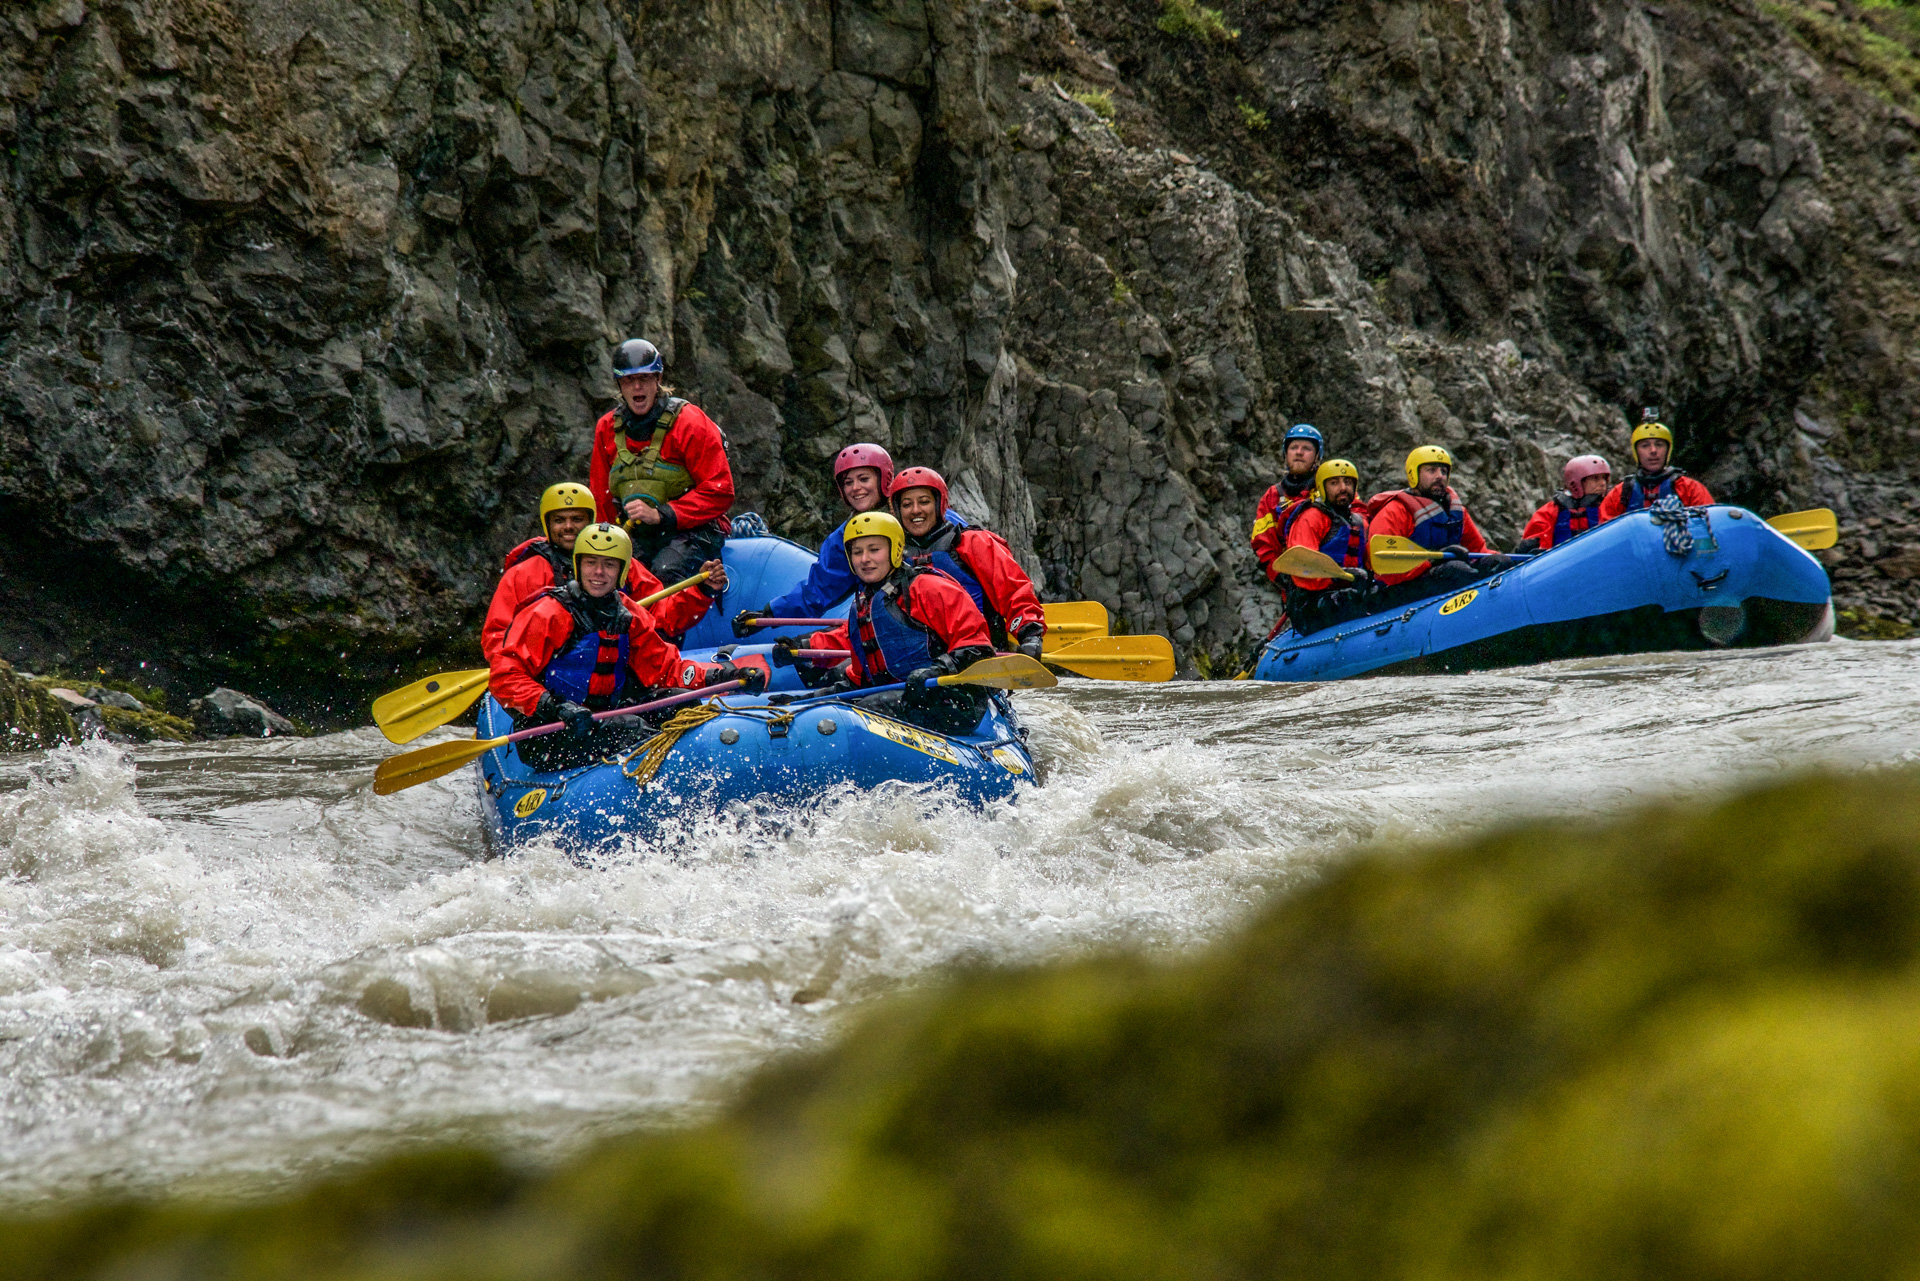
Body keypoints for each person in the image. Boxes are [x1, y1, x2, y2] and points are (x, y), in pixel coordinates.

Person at [490, 523, 765, 770]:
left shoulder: (628, 614)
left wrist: (724, 676)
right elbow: (504, 675)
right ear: (578, 565)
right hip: (551, 729)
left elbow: (666, 668)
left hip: (606, 715)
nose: (598, 572)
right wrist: (554, 706)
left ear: (622, 571)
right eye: (591, 563)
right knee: (629, 728)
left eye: (609, 565)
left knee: (684, 703)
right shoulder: (548, 613)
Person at [780, 512, 996, 736]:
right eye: (857, 552)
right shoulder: (862, 606)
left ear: (895, 550)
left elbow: (977, 648)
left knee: (866, 711)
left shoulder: (929, 588)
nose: (865, 559)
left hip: (952, 700)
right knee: (829, 709)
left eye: (874, 550)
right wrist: (806, 701)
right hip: (899, 698)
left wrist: (937, 670)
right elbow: (859, 683)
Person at [483, 482, 727, 662]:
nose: (568, 527)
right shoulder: (524, 573)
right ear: (547, 524)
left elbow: (664, 617)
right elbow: (497, 636)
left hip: (612, 671)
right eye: (559, 520)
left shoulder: (620, 564)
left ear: (590, 521)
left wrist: (702, 592)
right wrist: (515, 671)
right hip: (553, 675)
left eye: (576, 519)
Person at [589, 338, 736, 583]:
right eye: (629, 380)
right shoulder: (606, 428)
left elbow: (720, 491)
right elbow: (601, 500)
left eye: (644, 378)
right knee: (613, 578)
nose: (637, 386)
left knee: (665, 572)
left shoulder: (690, 422)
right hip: (638, 534)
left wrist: (662, 514)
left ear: (658, 379)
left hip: (694, 531)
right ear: (619, 384)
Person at [731, 443, 893, 637]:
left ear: (884, 479)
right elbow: (819, 590)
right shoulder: (844, 538)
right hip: (886, 622)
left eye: (864, 479)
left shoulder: (909, 513)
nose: (855, 488)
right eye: (848, 483)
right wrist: (768, 615)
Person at [886, 466, 1046, 658]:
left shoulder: (972, 543)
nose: (915, 510)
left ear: (939, 504)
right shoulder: (890, 555)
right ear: (897, 510)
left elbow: (1013, 590)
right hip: (921, 662)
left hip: (978, 655)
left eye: (924, 501)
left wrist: (1030, 634)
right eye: (906, 504)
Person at [1366, 445, 1511, 599]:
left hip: (1446, 572)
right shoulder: (1394, 511)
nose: (1440, 476)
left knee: (1498, 562)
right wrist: (1432, 561)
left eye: (1443, 471)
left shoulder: (1456, 511)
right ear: (1414, 474)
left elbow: (1478, 550)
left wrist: (1501, 559)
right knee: (1454, 571)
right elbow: (1384, 571)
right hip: (1401, 588)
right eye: (1431, 470)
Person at [1274, 459, 1377, 636]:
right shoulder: (1311, 518)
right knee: (1351, 600)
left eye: (1348, 482)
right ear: (1322, 487)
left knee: (1381, 595)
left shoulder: (1361, 523)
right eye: (1334, 483)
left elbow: (1370, 564)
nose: (1343, 488)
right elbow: (1302, 568)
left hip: (1347, 592)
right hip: (1310, 603)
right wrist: (1340, 577)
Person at [1249, 424, 1326, 584]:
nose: (1299, 452)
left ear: (1317, 455)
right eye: (1293, 447)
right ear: (1286, 454)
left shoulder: (1332, 487)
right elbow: (1263, 543)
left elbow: (1357, 522)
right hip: (1291, 581)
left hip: (1330, 576)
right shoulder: (1273, 496)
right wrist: (1280, 577)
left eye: (1306, 448)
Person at [1598, 416, 1715, 517]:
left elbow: (1710, 521)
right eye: (1645, 446)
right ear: (1636, 452)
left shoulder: (1690, 489)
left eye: (1659, 445)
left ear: (1668, 450)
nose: (1653, 450)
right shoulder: (1620, 494)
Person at [1516, 456, 1612, 553]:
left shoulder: (1610, 506)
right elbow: (1536, 544)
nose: (1603, 483)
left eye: (1604, 478)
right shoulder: (1549, 512)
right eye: (1595, 478)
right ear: (1576, 482)